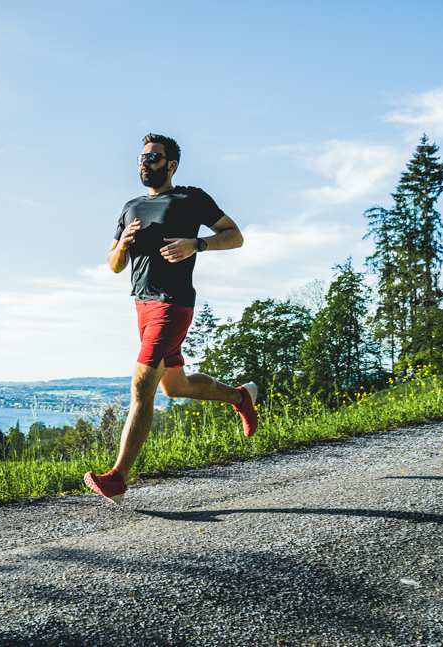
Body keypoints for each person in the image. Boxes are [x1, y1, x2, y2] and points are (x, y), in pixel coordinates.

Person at [83, 133, 258, 504]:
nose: (145, 163)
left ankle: (117, 477)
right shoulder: (130, 208)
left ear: (171, 164)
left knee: (141, 386)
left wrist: (198, 244)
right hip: (142, 305)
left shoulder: (190, 199)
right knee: (175, 387)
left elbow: (235, 235)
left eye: (154, 158)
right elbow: (114, 265)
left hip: (173, 304)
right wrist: (123, 245)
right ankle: (239, 397)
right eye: (142, 158)